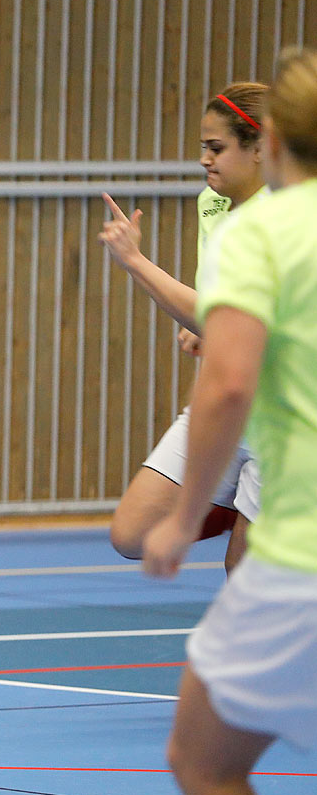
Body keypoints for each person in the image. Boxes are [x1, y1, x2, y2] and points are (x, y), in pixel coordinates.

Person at [142, 47, 317, 795]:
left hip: (300, 538)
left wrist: (183, 520)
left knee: (202, 762)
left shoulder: (266, 232)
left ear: (271, 142)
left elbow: (231, 383)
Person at [100, 83, 268, 573]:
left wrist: (134, 261)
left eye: (216, 148)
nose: (204, 159)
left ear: (259, 149)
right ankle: (249, 511)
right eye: (203, 147)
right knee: (132, 534)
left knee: (244, 580)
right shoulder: (212, 207)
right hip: (226, 405)